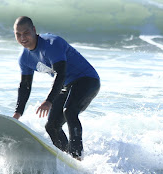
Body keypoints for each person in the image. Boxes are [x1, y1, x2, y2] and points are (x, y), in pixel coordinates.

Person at [13, 16, 100, 160]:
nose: (23, 37)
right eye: (18, 34)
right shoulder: (24, 58)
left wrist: (49, 101)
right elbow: (25, 86)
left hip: (87, 79)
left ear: (34, 30)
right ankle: (67, 159)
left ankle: (77, 156)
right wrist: (17, 113)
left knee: (70, 111)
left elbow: (61, 73)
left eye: (26, 32)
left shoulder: (51, 43)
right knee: (51, 126)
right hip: (67, 85)